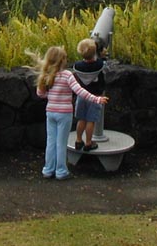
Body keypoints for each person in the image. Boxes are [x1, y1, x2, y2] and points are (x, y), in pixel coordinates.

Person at [33, 45, 108, 180]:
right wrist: (96, 99)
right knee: (61, 143)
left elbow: (40, 93)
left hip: (50, 112)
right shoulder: (67, 75)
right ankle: (61, 171)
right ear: (62, 60)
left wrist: (52, 95)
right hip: (64, 114)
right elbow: (79, 91)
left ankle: (48, 169)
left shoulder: (46, 75)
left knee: (51, 141)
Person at [72, 38, 107, 152]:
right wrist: (102, 56)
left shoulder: (77, 66)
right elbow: (104, 65)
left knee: (81, 119)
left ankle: (78, 140)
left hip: (82, 95)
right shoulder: (99, 64)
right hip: (95, 96)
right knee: (90, 121)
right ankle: (88, 143)